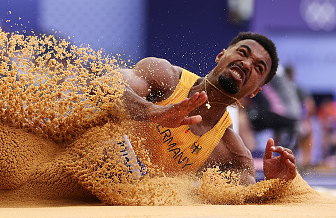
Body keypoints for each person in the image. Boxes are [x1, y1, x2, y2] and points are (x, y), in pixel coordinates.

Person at [118, 32, 297, 185]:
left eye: (258, 67)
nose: (247, 64)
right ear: (220, 56)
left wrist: (274, 186)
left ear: (255, 91)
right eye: (242, 53)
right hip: (97, 165)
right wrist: (152, 112)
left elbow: (245, 195)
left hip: (129, 208)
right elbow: (109, 86)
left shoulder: (231, 153)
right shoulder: (165, 78)